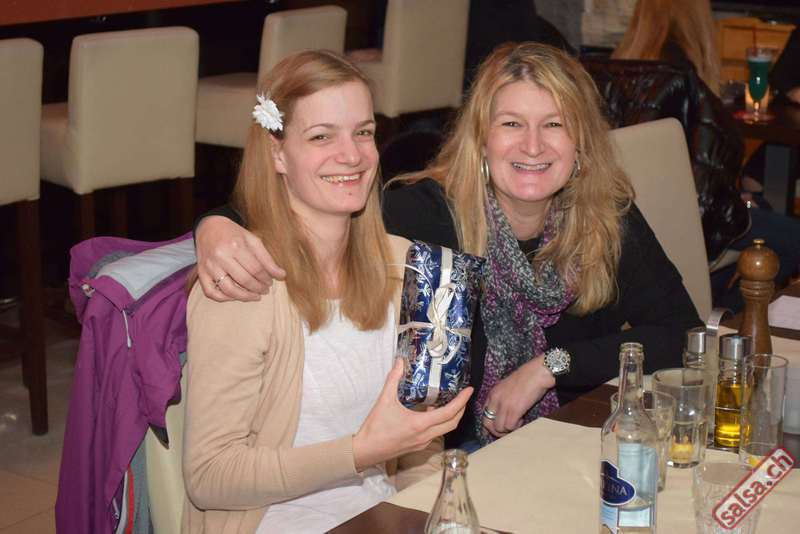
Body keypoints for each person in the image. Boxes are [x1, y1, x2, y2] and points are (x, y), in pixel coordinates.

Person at [193, 43, 702, 451]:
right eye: (511, 124)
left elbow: (683, 332)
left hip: (572, 441)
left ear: (581, 142)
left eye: (554, 124)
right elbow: (301, 207)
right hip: (455, 457)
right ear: (481, 138)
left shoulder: (605, 218)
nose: (533, 146)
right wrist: (213, 226)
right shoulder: (428, 215)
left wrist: (550, 367)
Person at [182, 50, 471, 533]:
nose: (352, 155)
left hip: (381, 518)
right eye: (321, 136)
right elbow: (209, 476)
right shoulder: (244, 283)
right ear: (277, 153)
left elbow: (419, 443)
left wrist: (428, 517)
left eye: (363, 132)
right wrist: (360, 452)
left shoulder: (406, 266)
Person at [614, 0, 800, 311]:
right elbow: (705, 179)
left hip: (634, 219)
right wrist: (736, 201)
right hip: (689, 221)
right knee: (790, 237)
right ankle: (728, 319)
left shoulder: (617, 68)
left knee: (759, 208)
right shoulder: (684, 78)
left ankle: (710, 311)